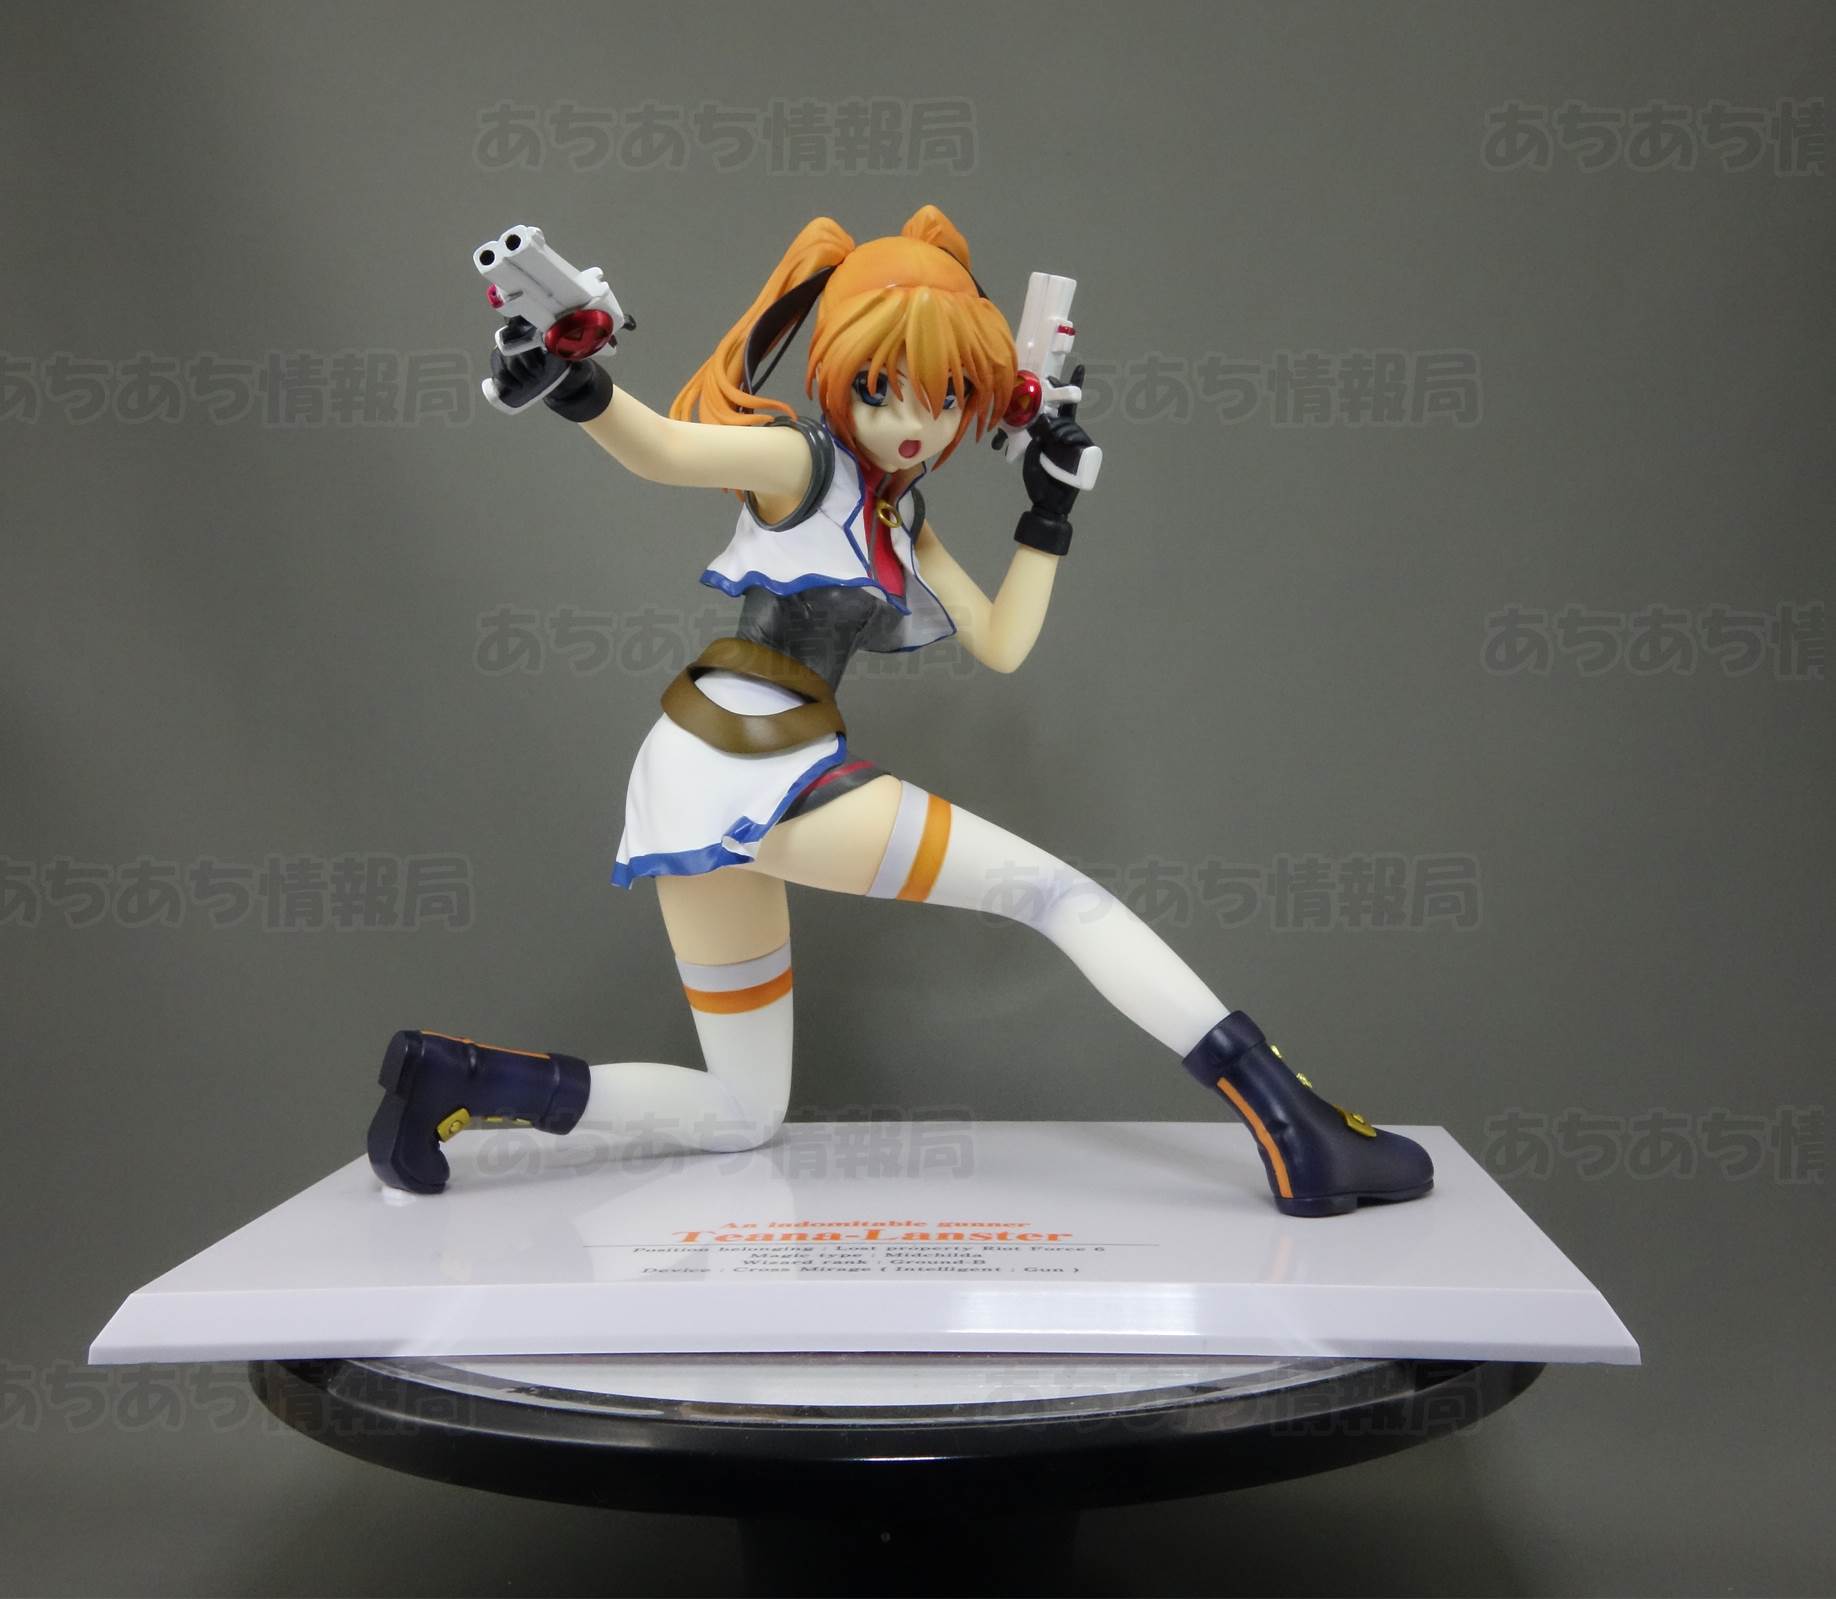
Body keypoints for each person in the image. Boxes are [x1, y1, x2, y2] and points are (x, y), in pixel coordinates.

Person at [366, 205, 1434, 1218]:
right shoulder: (802, 461)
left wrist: (1049, 516)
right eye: (883, 390)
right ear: (840, 377)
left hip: (706, 766)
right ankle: (1294, 1127)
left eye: (945, 397)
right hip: (753, 754)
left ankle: (458, 1080)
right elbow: (666, 452)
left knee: (741, 1112)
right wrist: (577, 383)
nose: (914, 423)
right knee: (1059, 898)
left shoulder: (898, 512)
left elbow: (1001, 643)